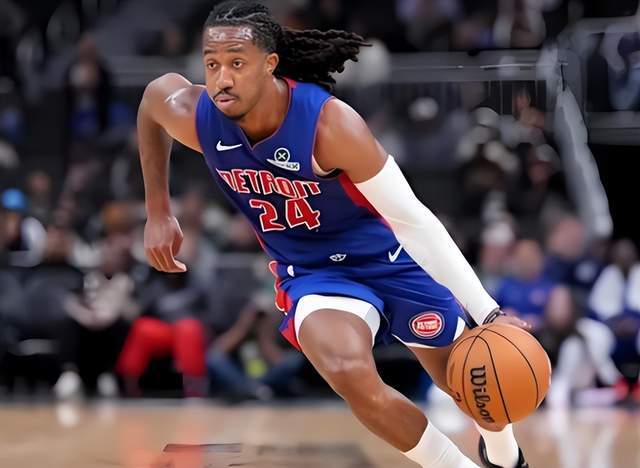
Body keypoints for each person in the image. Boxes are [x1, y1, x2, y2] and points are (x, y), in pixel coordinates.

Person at [137, 2, 531, 467]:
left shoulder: (330, 125)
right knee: (349, 372)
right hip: (313, 272)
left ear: (269, 64)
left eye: (237, 63)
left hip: (388, 256)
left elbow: (413, 220)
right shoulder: (197, 115)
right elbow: (151, 103)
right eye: (212, 64)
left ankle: (505, 456)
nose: (222, 79)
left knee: (474, 373)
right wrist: (158, 211)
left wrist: (488, 313)